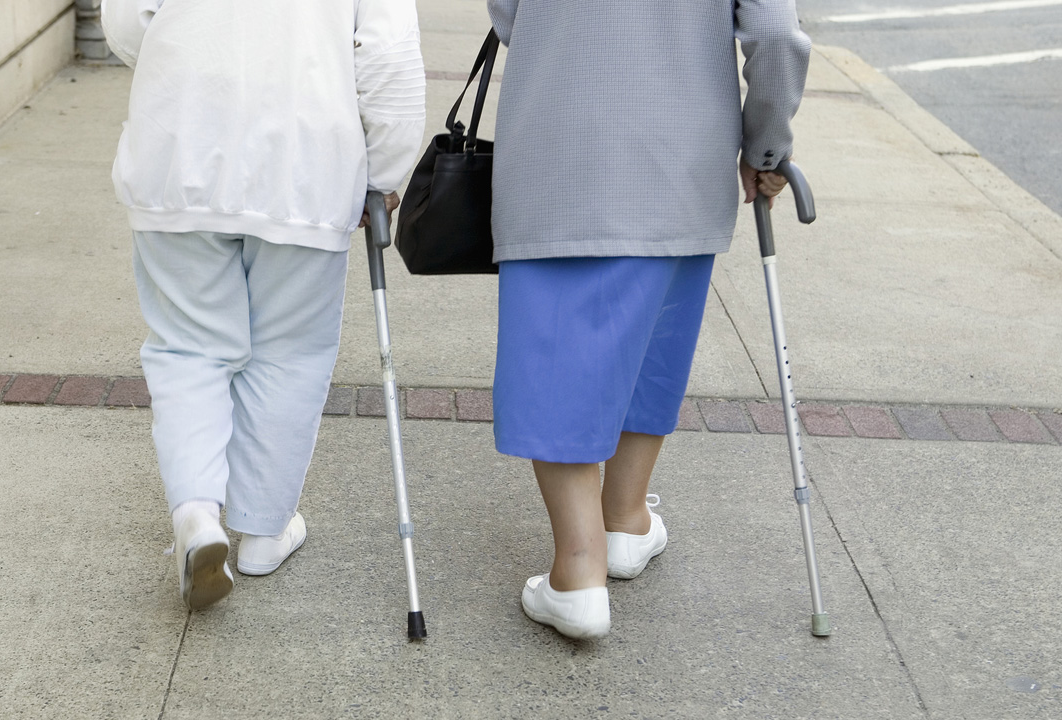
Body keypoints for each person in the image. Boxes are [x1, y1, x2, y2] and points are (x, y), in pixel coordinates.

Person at [486, 0, 811, 639]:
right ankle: (625, 520)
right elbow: (776, 33)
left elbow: (508, 15)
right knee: (655, 339)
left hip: (563, 143)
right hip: (682, 148)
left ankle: (580, 570)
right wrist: (766, 146)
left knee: (557, 351)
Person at [101, 0, 425, 610]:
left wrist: (199, 68)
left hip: (181, 149)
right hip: (305, 165)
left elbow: (124, 19)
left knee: (188, 348)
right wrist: (384, 171)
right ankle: (263, 531)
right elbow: (389, 57)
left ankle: (197, 513)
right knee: (290, 352)